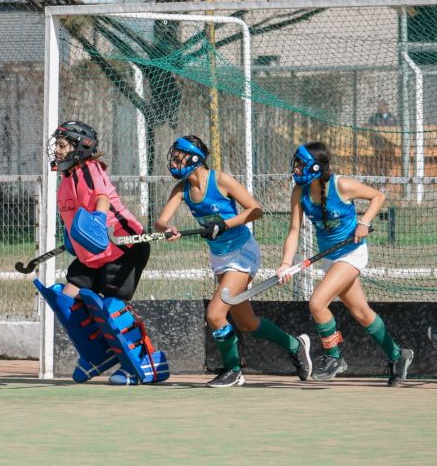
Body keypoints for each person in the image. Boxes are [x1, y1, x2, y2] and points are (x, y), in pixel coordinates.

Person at [155, 135, 312, 387]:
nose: (173, 160)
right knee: (247, 322)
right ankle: (296, 344)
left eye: (178, 155)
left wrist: (224, 224)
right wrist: (168, 229)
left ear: (195, 157)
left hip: (242, 253)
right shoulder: (182, 189)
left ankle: (233, 370)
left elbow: (255, 210)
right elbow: (161, 221)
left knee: (215, 314)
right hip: (219, 257)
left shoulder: (221, 180)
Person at [37, 120, 169, 385]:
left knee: (111, 307)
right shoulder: (65, 180)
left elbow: (102, 197)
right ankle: (98, 355)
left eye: (63, 145)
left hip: (123, 248)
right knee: (65, 298)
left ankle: (147, 363)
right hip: (94, 256)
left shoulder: (90, 168)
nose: (58, 151)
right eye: (58, 145)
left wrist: (98, 219)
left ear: (81, 146)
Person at [278, 141, 413, 386]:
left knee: (317, 303)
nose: (296, 168)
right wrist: (286, 263)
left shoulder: (342, 185)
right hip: (330, 257)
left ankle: (334, 357)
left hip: (352, 254)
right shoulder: (299, 192)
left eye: (301, 164)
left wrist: (364, 222)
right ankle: (398, 354)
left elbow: (377, 196)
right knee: (361, 313)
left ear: (316, 168)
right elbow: (294, 230)